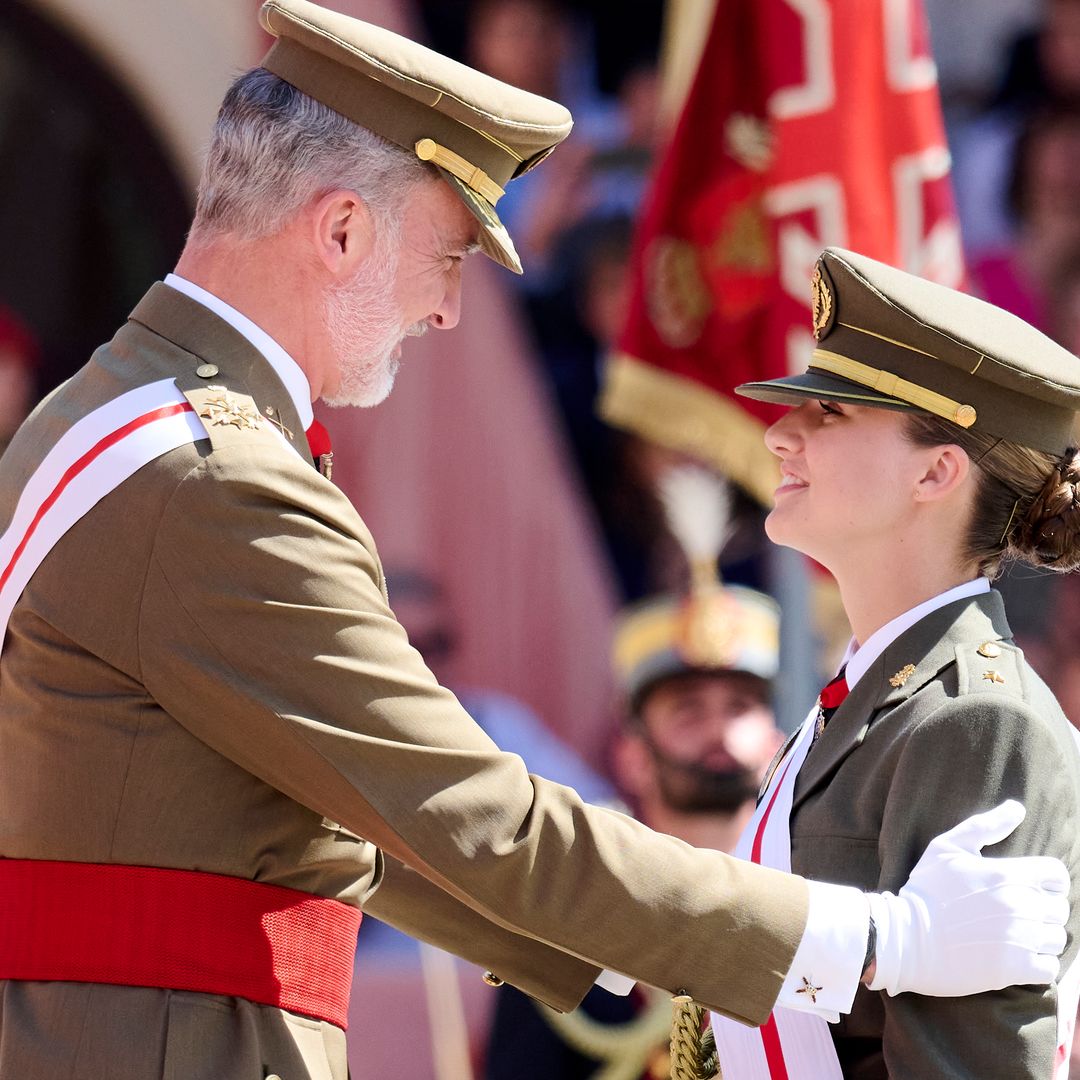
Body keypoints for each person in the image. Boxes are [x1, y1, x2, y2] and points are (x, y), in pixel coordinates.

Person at [0, 4, 1068, 1077]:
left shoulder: (113, 418)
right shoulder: (215, 477)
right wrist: (883, 942)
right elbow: (474, 817)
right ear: (339, 231)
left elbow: (363, 819)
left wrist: (614, 949)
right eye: (449, 253)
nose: (450, 310)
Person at [712, 246, 1080, 1078]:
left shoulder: (979, 723)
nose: (779, 434)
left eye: (832, 415)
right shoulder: (875, 694)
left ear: (938, 472)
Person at [486, 574, 785, 1079]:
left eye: (740, 707)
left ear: (779, 741)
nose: (718, 731)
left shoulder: (826, 890)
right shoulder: (566, 918)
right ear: (633, 756)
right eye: (687, 711)